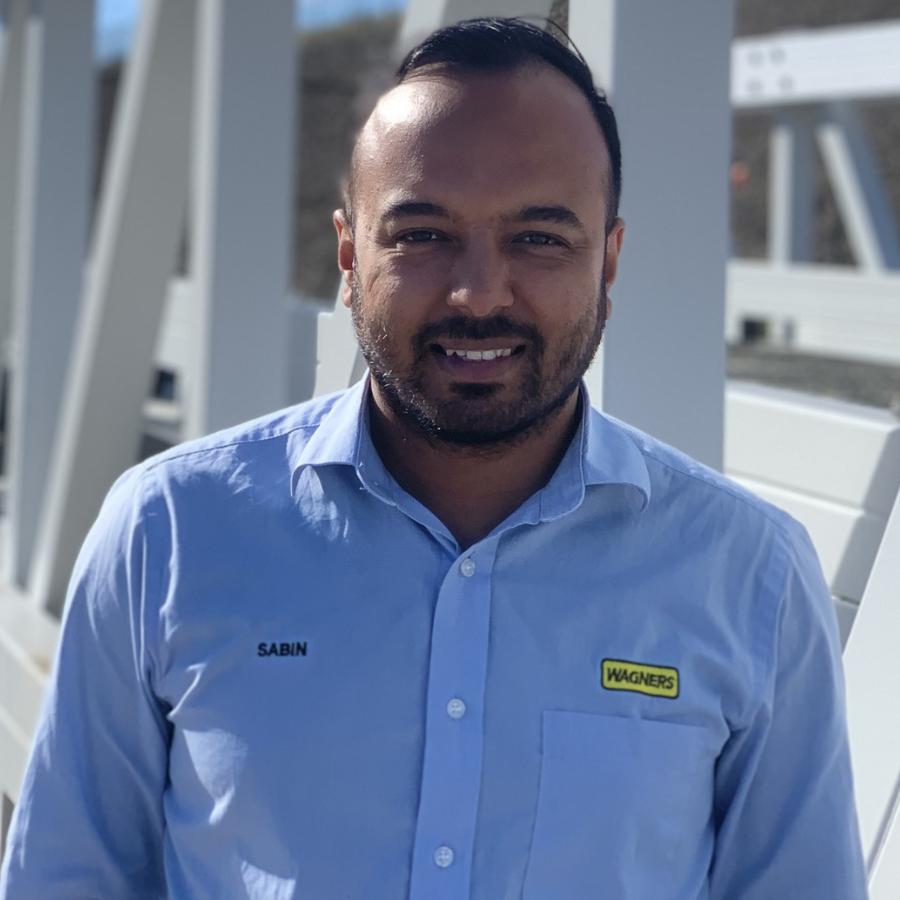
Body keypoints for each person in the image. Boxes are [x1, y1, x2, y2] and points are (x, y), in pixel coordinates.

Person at [1, 17, 867, 900]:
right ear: (350, 256)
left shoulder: (749, 577)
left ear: (608, 262)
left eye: (539, 238)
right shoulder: (167, 534)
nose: (478, 294)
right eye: (421, 234)